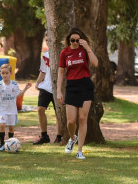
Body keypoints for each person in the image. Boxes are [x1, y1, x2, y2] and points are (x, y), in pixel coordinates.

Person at [57, 27, 99, 160]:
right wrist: (58, 91)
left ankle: (79, 150)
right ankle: (72, 138)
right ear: (69, 40)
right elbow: (61, 73)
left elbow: (95, 63)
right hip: (71, 87)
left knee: (82, 118)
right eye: (72, 40)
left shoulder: (84, 50)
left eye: (77, 40)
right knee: (71, 121)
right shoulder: (65, 53)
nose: (75, 42)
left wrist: (87, 47)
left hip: (85, 85)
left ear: (81, 40)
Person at [33, 47, 62, 145]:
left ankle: (59, 137)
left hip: (58, 87)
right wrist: (37, 82)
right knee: (40, 109)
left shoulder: (63, 53)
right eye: (46, 40)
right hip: (46, 86)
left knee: (58, 112)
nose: (47, 41)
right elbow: (43, 71)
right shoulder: (45, 55)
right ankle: (44, 136)